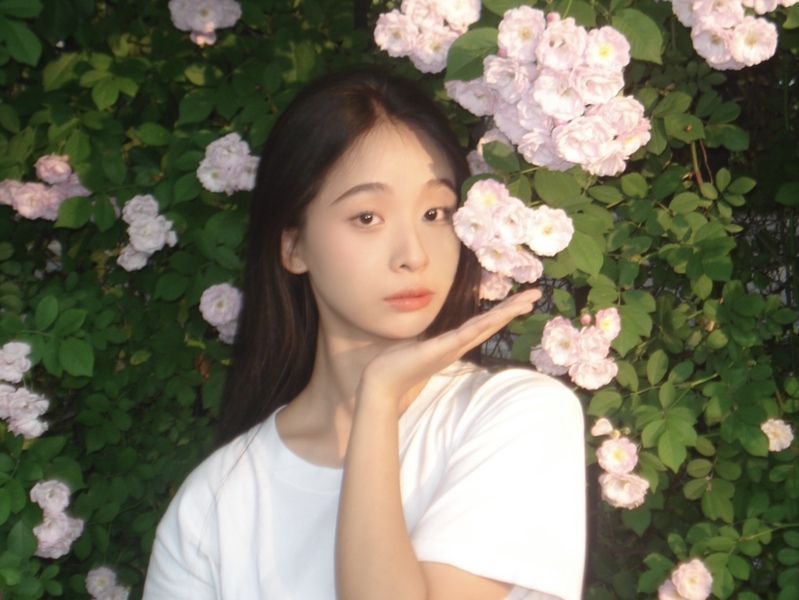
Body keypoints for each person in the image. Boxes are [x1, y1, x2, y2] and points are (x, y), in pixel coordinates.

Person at [142, 67, 586, 600]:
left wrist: (378, 396)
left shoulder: (514, 415)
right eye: (368, 217)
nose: (413, 255)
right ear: (293, 246)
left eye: (434, 213)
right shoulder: (212, 506)